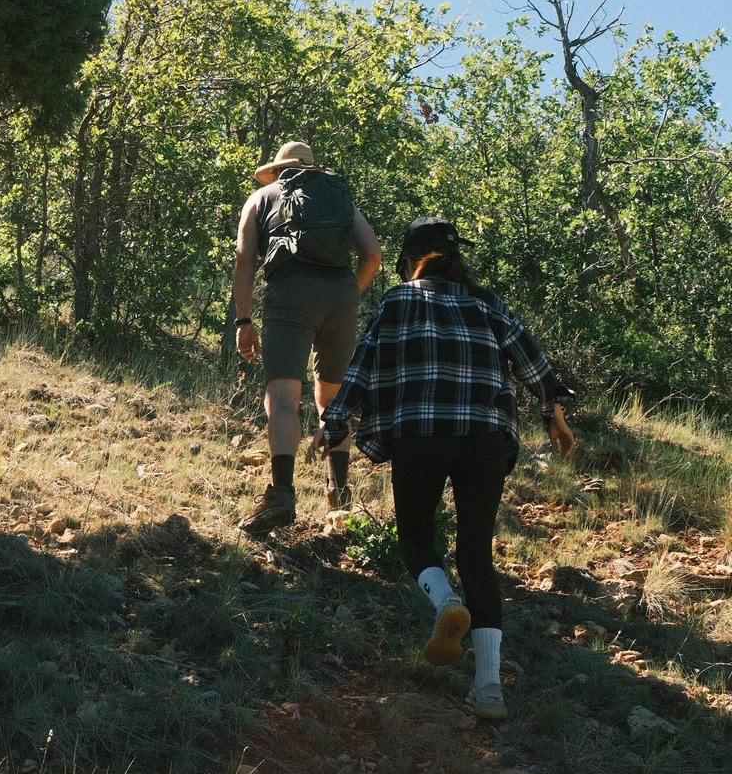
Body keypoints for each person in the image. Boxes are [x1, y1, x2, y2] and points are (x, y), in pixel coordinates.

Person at [313, 215, 576, 720]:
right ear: (457, 259)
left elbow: (363, 364)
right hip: (485, 439)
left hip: (420, 433)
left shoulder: (396, 301)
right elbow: (533, 363)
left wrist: (335, 420)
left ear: (411, 261)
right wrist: (554, 415)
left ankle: (444, 603)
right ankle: (490, 688)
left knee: (415, 537)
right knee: (477, 552)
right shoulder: (488, 303)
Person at [232, 140, 383, 535]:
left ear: (278, 170)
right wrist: (350, 294)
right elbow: (373, 255)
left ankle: (282, 492)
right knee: (332, 399)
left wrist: (243, 319)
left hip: (290, 294)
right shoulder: (338, 198)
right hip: (341, 297)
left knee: (283, 395)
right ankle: (339, 493)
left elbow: (245, 258)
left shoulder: (262, 196)